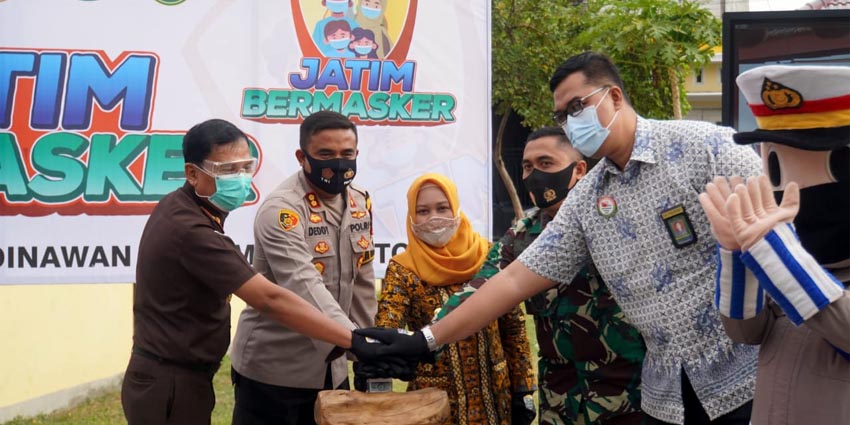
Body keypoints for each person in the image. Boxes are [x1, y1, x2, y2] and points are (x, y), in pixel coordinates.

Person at [357, 51, 764, 425]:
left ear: (615, 96)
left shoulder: (706, 149)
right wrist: (424, 340)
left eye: (577, 107)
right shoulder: (587, 201)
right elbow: (514, 279)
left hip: (745, 381)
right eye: (562, 115)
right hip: (665, 399)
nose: (571, 122)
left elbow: (778, 241)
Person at [121, 118, 385, 425]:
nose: (242, 179)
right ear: (192, 173)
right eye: (229, 171)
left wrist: (365, 344)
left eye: (246, 167)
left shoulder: (189, 210)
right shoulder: (195, 227)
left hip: (190, 375)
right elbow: (273, 297)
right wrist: (357, 342)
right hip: (208, 376)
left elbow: (361, 281)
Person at [433, 127, 646, 425]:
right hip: (560, 402)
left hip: (627, 399)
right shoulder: (521, 236)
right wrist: (424, 338)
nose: (535, 175)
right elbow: (479, 289)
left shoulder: (617, 223)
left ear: (579, 170)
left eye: (546, 164)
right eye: (528, 166)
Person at [698, 64, 850, 425]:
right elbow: (746, 331)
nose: (788, 192)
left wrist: (775, 250)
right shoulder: (795, 259)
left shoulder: (790, 259)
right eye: (776, 170)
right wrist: (738, 254)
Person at [229, 111, 378, 425]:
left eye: (346, 154)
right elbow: (304, 286)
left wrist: (368, 350)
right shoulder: (282, 210)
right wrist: (357, 342)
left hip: (333, 368)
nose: (338, 163)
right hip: (275, 370)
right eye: (325, 154)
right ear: (302, 157)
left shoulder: (360, 203)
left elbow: (362, 285)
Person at [371, 173, 537, 425]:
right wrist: (383, 355)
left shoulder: (489, 257)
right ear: (411, 217)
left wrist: (523, 389)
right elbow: (388, 322)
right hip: (432, 405)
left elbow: (513, 328)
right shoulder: (403, 268)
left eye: (442, 207)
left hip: (495, 397)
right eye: (423, 211)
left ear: (455, 208)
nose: (434, 218)